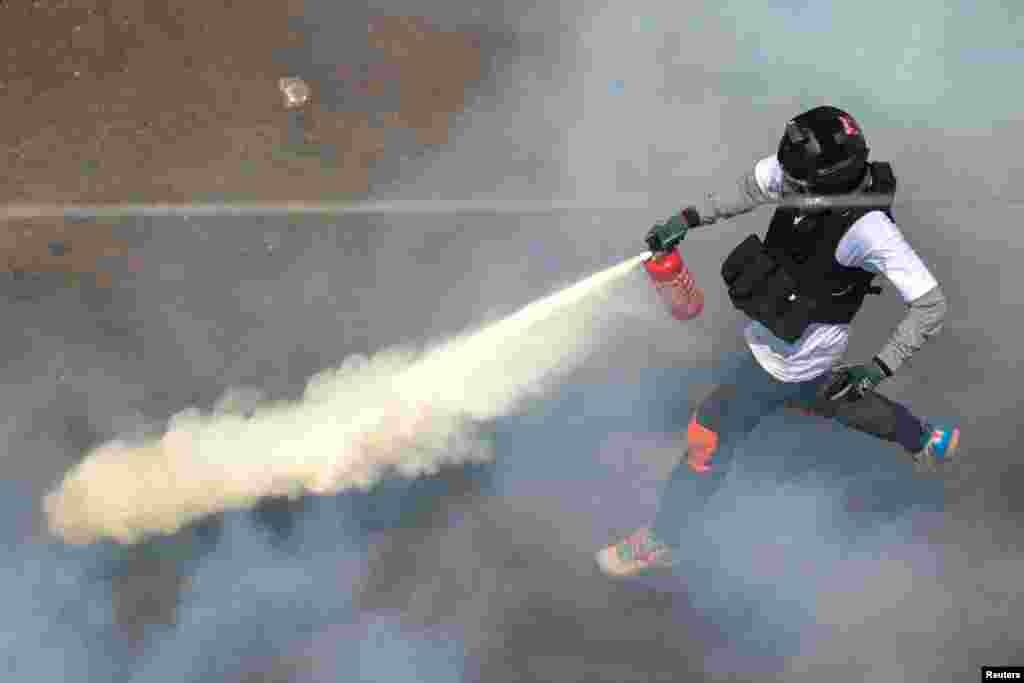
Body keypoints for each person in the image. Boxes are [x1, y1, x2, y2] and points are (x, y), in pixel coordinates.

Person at [596, 105, 961, 578]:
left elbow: (931, 305)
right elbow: (752, 188)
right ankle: (926, 439)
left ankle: (663, 540)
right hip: (795, 347)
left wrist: (879, 366)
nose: (784, 183)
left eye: (796, 181)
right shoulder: (799, 174)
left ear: (828, 178)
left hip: (786, 359)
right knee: (828, 395)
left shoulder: (869, 231)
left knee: (707, 436)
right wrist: (687, 218)